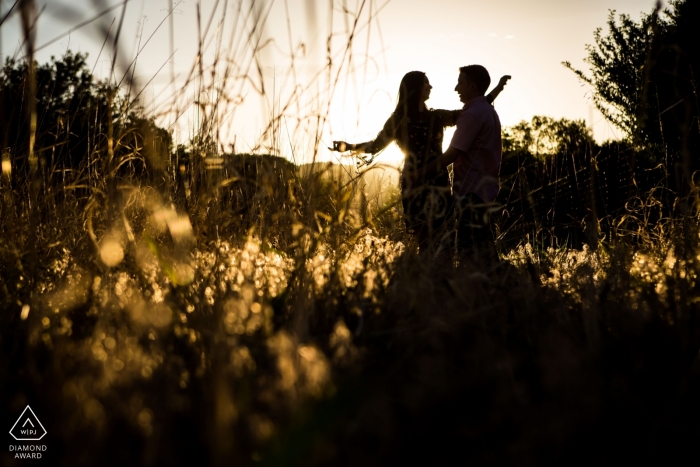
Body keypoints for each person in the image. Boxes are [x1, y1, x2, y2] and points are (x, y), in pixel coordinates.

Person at [331, 70, 509, 251]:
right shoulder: (398, 120)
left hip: (438, 182)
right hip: (414, 183)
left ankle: (441, 276)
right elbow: (375, 146)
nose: (430, 86)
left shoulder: (437, 116)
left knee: (443, 240)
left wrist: (497, 90)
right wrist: (349, 146)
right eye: (426, 83)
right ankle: (424, 277)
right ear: (415, 87)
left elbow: (474, 110)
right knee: (423, 240)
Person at [411, 65, 504, 261]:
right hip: (484, 191)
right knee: (482, 251)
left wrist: (418, 174)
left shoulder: (472, 115)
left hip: (471, 193)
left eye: (460, 83)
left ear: (472, 87)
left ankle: (491, 288)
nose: (456, 88)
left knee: (469, 254)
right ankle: (503, 287)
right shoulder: (487, 110)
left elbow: (451, 155)